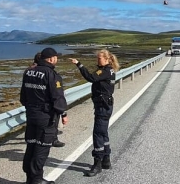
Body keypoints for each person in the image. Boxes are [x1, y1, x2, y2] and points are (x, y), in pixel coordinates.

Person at [20, 47, 68, 184]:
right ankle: (37, 180)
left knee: (31, 146)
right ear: (52, 59)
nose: (57, 59)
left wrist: (31, 107)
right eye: (56, 57)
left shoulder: (28, 71)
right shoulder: (51, 74)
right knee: (41, 148)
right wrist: (63, 113)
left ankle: (30, 178)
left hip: (31, 115)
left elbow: (23, 97)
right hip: (45, 117)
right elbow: (57, 97)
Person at [70, 49, 119, 177]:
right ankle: (106, 160)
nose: (98, 60)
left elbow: (90, 77)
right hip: (106, 105)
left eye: (100, 58)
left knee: (97, 134)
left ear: (107, 59)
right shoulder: (110, 70)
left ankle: (97, 164)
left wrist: (79, 64)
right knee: (103, 133)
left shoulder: (104, 71)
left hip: (102, 106)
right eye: (97, 58)